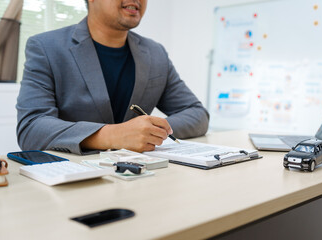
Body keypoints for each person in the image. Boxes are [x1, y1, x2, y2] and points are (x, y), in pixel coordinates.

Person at [16, 0, 209, 155]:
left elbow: (197, 114)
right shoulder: (45, 47)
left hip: (142, 178)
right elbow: (31, 128)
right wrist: (112, 135)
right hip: (72, 181)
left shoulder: (155, 53)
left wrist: (151, 132)